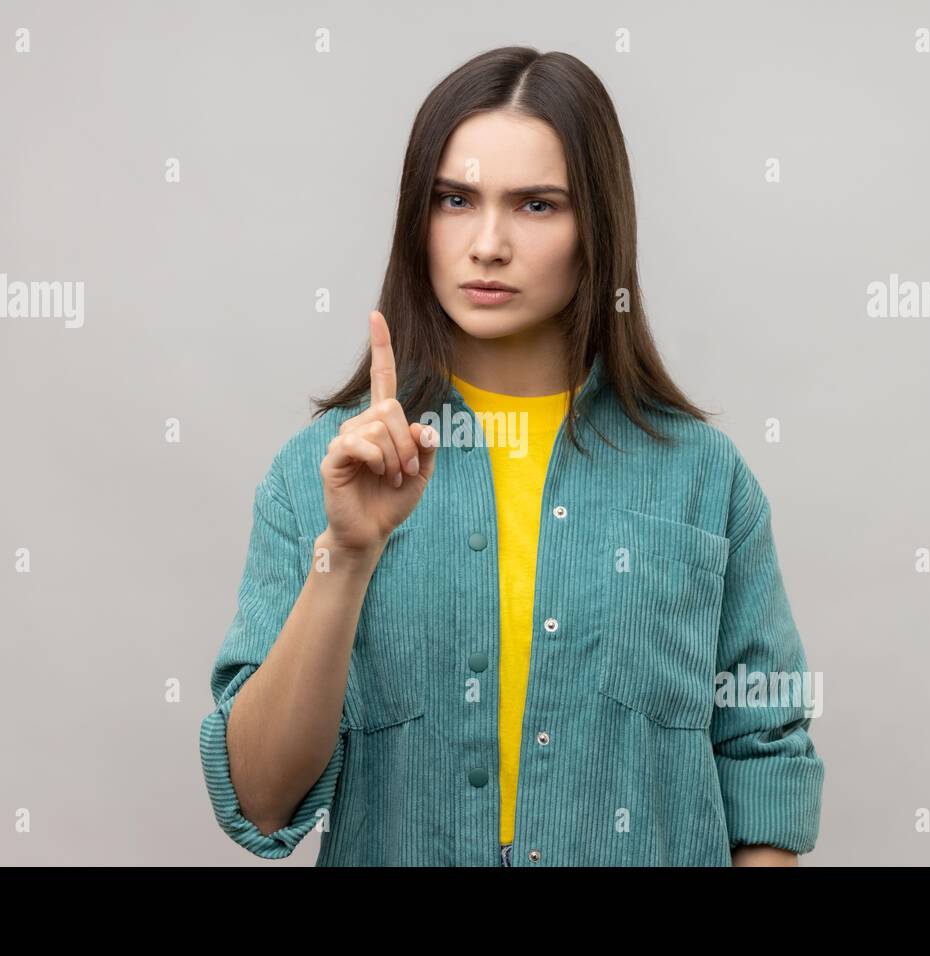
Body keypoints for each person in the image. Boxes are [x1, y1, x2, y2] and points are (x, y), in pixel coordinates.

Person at [200, 46, 824, 866]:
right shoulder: (317, 473)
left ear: (595, 225)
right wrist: (347, 558)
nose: (487, 243)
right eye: (455, 200)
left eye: (535, 205)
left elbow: (766, 761)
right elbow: (259, 801)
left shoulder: (705, 479)